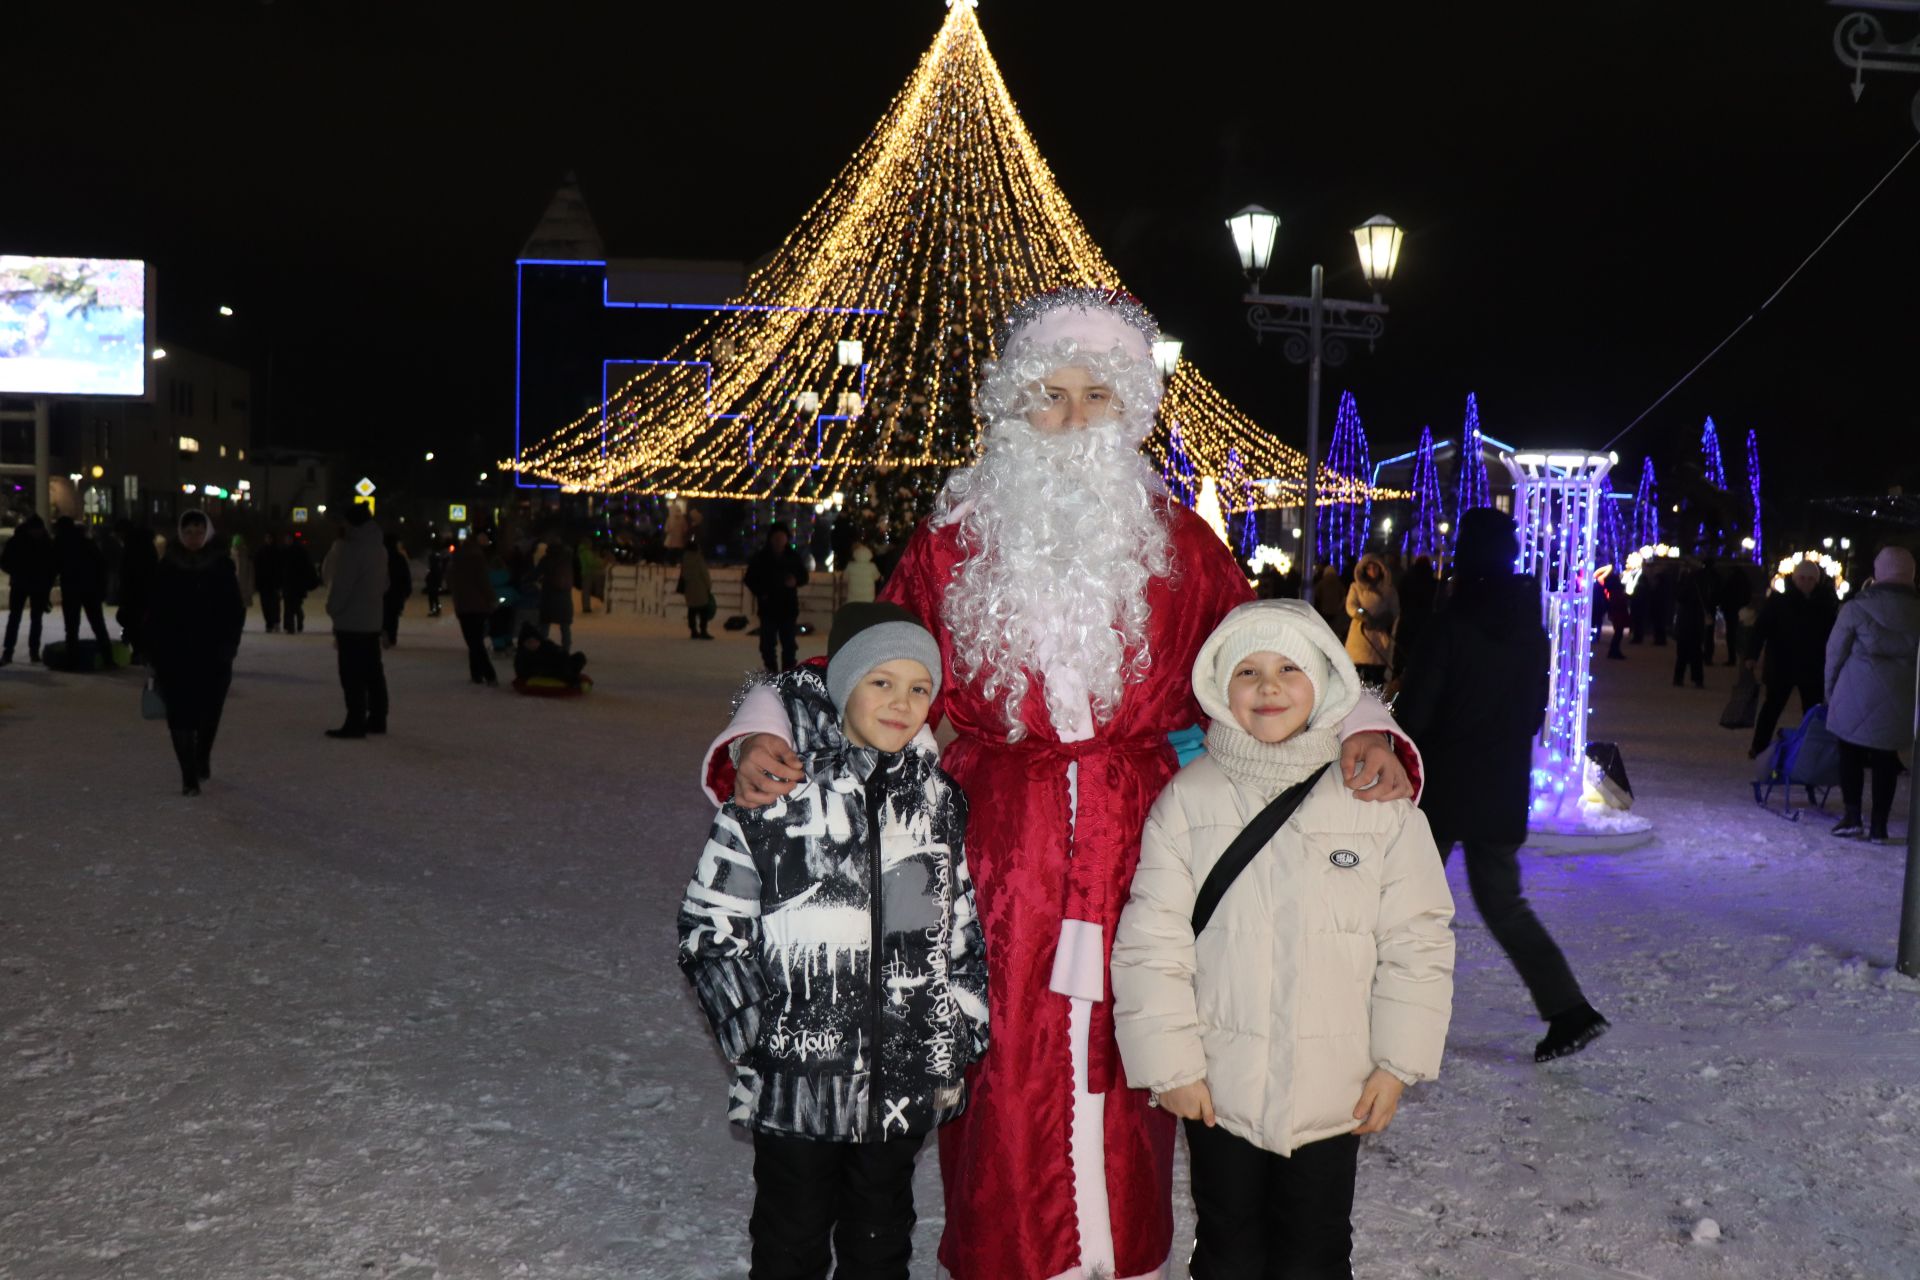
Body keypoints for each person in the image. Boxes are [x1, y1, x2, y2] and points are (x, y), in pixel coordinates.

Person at [705, 288, 1417, 1280]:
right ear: (1009, 408)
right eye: (1050, 394)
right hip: (995, 859)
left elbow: (1282, 665)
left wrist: (1366, 738)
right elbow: (869, 680)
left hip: (1146, 854)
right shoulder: (953, 546)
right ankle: (1005, 1254)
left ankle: (1117, 1254)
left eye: (1098, 395)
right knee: (997, 1072)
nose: (1075, 418)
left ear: (1128, 413)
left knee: (1141, 1061)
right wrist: (763, 735)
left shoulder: (1180, 544)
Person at [1112, 599, 1455, 1278]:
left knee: (1316, 1253)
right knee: (1228, 1249)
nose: (1268, 687)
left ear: (1326, 680)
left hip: (1335, 1092)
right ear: (1219, 685)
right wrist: (1172, 1066)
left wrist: (1398, 1062)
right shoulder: (1189, 800)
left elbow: (1417, 939)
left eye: (1289, 668)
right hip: (1220, 1093)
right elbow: (1152, 939)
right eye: (1249, 670)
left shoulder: (1374, 802)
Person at [678, 603, 990, 1278]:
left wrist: (957, 1029)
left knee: (881, 1246)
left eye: (918, 689)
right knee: (790, 1243)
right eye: (881, 682)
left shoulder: (936, 801)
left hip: (902, 1084)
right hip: (798, 1086)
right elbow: (710, 931)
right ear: (842, 684)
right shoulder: (775, 795)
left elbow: (956, 930)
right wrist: (757, 1032)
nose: (901, 703)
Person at [1396, 507, 1611, 1063]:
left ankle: (1387, 1016)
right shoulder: (1529, 629)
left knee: (1404, 903)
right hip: (1499, 784)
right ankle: (1568, 1008)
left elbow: (1416, 712)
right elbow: (1530, 711)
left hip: (1440, 787)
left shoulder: (1449, 625)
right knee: (1503, 903)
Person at [145, 510, 245, 796]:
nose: (193, 538)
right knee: (179, 715)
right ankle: (189, 776)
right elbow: (154, 612)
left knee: (208, 714)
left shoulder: (221, 566)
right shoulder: (166, 567)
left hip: (212, 655)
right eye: (187, 532)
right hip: (173, 655)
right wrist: (151, 647)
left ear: (208, 533)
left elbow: (234, 611)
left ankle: (202, 756)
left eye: (198, 532)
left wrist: (229, 645)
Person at [1823, 546, 1919, 842]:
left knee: (1849, 752)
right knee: (1885, 760)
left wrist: (1830, 689)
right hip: (1901, 697)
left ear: (1878, 573)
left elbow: (1835, 651)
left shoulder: (1856, 607)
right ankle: (1879, 825)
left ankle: (1852, 816)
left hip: (1855, 692)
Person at [1745, 559, 1838, 759]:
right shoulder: (1779, 601)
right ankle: (1759, 745)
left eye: (1810, 579)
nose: (1805, 583)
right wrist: (1751, 655)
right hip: (1782, 664)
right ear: (1795, 579)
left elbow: (1834, 634)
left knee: (1812, 710)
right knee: (1772, 707)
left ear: (1817, 581)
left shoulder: (1825, 604)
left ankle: (1811, 748)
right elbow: (1760, 629)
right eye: (1802, 578)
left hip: (1812, 665)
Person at [323, 506, 390, 739]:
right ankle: (378, 718)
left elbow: (342, 586)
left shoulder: (353, 549)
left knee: (351, 675)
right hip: (372, 620)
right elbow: (385, 584)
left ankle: (355, 722)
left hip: (351, 622)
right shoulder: (379, 548)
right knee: (373, 671)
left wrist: (332, 608)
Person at [744, 522, 809, 673]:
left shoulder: (793, 557)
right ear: (771, 539)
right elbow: (749, 579)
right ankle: (771, 670)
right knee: (767, 644)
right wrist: (762, 592)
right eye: (776, 537)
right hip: (768, 607)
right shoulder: (761, 558)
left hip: (788, 607)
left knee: (789, 644)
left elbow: (804, 576)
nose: (779, 541)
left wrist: (795, 580)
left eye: (782, 537)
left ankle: (787, 673)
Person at [53, 517, 115, 668]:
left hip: (71, 588)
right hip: (90, 588)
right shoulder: (87, 542)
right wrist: (101, 588)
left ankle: (72, 660)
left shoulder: (60, 544)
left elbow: (53, 566)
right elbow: (101, 565)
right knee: (98, 624)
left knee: (72, 627)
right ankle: (108, 658)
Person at [447, 531, 500, 684]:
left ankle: (476, 673)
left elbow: (450, 580)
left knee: (472, 640)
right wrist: (492, 599)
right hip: (479, 605)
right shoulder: (477, 558)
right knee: (476, 640)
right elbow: (483, 582)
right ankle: (488, 674)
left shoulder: (456, 558)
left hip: (462, 605)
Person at [2, 515, 55, 666]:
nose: (37, 533)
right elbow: (5, 561)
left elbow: (51, 566)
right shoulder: (19, 541)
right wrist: (17, 572)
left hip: (35, 585)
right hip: (22, 583)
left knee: (35, 619)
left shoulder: (44, 542)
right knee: (15, 618)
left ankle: (33, 651)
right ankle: (8, 651)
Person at [1343, 553, 1398, 684]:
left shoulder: (1389, 590)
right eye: (1369, 568)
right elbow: (1351, 605)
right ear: (1364, 570)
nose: (1372, 571)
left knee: (1377, 677)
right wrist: (1363, 614)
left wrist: (1385, 618)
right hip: (1360, 636)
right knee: (1356, 678)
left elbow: (1394, 609)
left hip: (1379, 638)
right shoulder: (1356, 587)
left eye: (1375, 568)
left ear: (1381, 570)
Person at [115, 519, 160, 663]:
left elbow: (128, 572)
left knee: (132, 620)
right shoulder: (145, 544)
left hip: (136, 592)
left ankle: (139, 650)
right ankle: (139, 650)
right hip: (145, 591)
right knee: (136, 621)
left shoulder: (132, 546)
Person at [1390, 555, 1437, 682]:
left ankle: (1396, 684)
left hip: (1406, 621)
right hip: (1424, 624)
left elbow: (1400, 598)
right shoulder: (1431, 583)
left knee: (1401, 658)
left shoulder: (1406, 580)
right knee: (1419, 659)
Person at [1671, 558, 1712, 688]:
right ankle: (1697, 679)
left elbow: (1680, 596)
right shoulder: (1704, 581)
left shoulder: (1688, 580)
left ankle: (1679, 678)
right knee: (1696, 652)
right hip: (1697, 620)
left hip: (1686, 619)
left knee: (1682, 652)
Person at [513, 622, 587, 687]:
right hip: (544, 671)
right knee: (558, 668)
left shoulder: (546, 645)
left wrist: (561, 654)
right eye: (529, 642)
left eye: (535, 641)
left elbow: (559, 652)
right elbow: (521, 671)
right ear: (523, 644)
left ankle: (571, 673)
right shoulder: (522, 655)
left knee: (579, 657)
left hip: (556, 665)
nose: (533, 644)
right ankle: (571, 680)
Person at [536, 535, 576, 652]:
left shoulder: (546, 559)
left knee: (544, 624)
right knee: (565, 626)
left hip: (549, 596)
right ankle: (566, 649)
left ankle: (541, 649)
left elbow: (536, 573)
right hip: (564, 597)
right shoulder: (567, 559)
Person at [1716, 559, 1752, 666]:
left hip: (1731, 609)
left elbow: (1725, 593)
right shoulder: (1743, 580)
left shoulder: (1731, 580)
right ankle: (1740, 656)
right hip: (1738, 609)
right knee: (1738, 634)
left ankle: (1733, 658)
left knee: (1732, 634)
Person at [281, 535, 319, 634]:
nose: (287, 541)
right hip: (291, 583)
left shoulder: (295, 552)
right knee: (290, 605)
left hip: (295, 583)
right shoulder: (287, 551)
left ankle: (292, 625)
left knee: (293, 605)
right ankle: (291, 626)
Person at [382, 533, 412, 648]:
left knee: (384, 612)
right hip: (396, 591)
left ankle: (384, 631)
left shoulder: (380, 556)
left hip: (383, 591)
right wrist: (407, 590)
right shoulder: (399, 558)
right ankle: (391, 636)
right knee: (393, 615)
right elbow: (405, 575)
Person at [680, 543, 715, 640]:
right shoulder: (698, 559)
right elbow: (705, 574)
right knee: (703, 611)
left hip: (689, 588)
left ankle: (693, 631)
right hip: (700, 588)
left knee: (692, 610)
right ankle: (703, 631)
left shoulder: (685, 559)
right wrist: (708, 586)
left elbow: (683, 575)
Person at [1312, 563, 1347, 636]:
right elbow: (1344, 595)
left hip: (1324, 609)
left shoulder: (1322, 583)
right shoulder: (1338, 583)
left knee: (1326, 626)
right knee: (1334, 627)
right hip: (1336, 609)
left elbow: (1316, 594)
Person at [423, 538, 448, 618]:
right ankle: (435, 609)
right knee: (434, 597)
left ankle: (435, 610)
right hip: (434, 583)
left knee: (433, 597)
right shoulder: (436, 567)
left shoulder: (434, 568)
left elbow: (432, 576)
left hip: (433, 584)